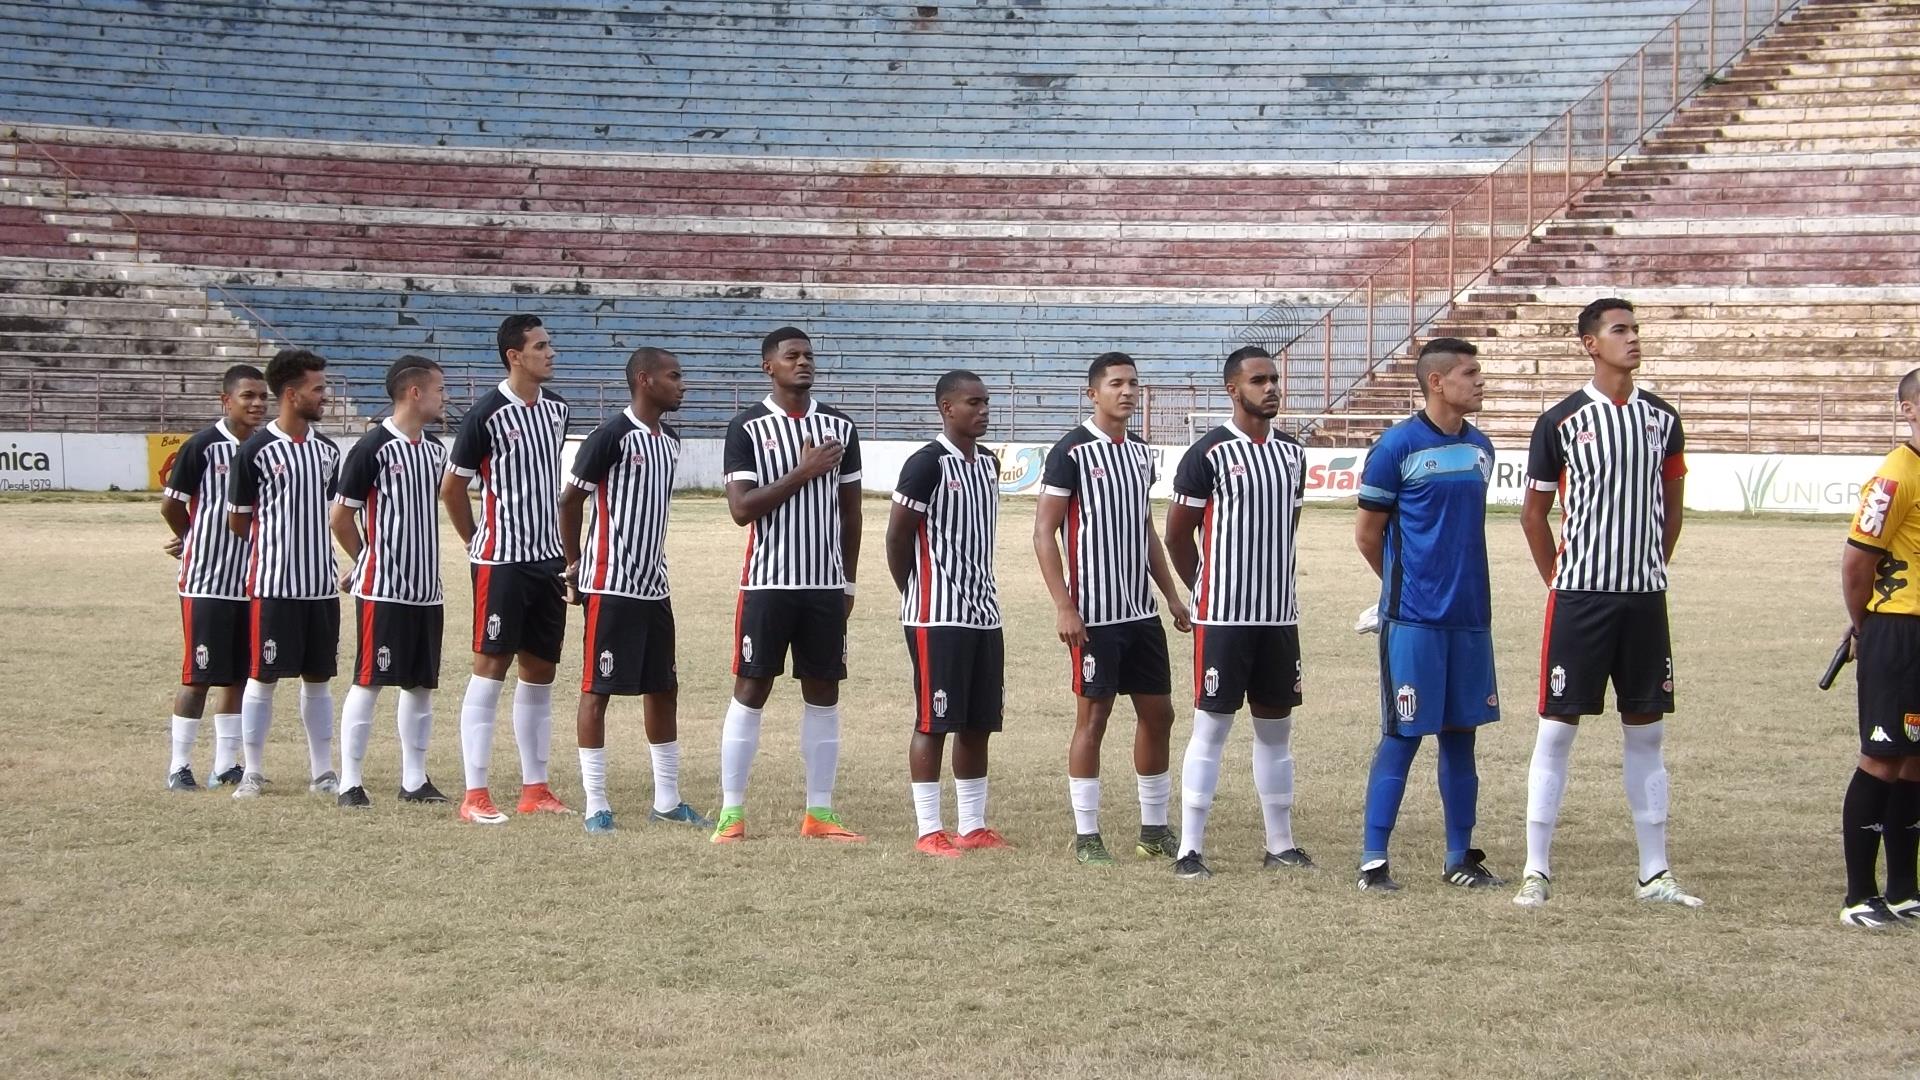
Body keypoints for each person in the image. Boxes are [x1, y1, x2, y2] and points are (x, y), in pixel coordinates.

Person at [1515, 298, 1701, 908]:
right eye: (1620, 330)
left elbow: (1672, 508)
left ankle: (1655, 872)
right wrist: (1558, 579)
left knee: (1646, 734)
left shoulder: (1662, 419)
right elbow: (1534, 514)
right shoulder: (1562, 421)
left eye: (1636, 329)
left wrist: (1651, 563)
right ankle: (1536, 869)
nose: (1633, 339)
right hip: (1580, 600)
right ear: (1591, 344)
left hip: (1645, 600)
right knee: (1557, 731)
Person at [1351, 338, 1503, 892]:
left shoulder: (1482, 449)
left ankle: (1459, 857)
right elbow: (1368, 536)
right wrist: (1405, 589)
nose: (1479, 380)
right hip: (1413, 622)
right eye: (1470, 372)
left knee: (1462, 738)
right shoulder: (1396, 447)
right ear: (1437, 382)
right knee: (1403, 736)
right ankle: (1373, 860)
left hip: (1470, 620)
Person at [1034, 352, 1192, 866]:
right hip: (1093, 615)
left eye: (1133, 384)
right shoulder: (1071, 452)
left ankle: (1153, 829)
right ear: (1093, 393)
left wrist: (1169, 594)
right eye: (1116, 384)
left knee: (1159, 714)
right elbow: (1044, 534)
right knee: (1094, 716)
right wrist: (1064, 606)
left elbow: (1144, 530)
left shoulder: (1142, 453)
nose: (1127, 392)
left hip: (1138, 613)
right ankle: (1087, 835)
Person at [709, 327, 866, 843]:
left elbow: (851, 511)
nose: (803, 363)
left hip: (823, 586)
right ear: (768, 367)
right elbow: (741, 509)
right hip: (768, 584)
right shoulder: (747, 427)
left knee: (823, 693)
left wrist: (847, 580)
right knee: (752, 689)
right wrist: (802, 472)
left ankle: (818, 812)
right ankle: (732, 812)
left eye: (809, 356)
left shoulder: (838, 425)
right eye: (792, 356)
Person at [1163, 346, 1312, 879]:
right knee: (1212, 727)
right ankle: (1190, 849)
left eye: (1274, 379)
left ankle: (1281, 843)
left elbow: (1285, 527)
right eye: (1258, 380)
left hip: (1278, 617)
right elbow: (1178, 536)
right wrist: (1206, 588)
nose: (1271, 387)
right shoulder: (1207, 454)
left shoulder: (1293, 455)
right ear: (1233, 389)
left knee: (1276, 729)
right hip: (1222, 619)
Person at [559, 346, 711, 835]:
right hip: (610, 585)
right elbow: (571, 499)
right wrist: (575, 564)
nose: (683, 383)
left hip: (653, 586)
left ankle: (667, 800)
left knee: (663, 688)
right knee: (597, 690)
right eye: (675, 375)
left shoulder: (669, 440)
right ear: (645, 380)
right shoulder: (610, 436)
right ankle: (596, 804)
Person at [440, 315, 573, 825]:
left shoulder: (558, 410)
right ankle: (475, 794)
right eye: (541, 346)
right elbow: (453, 487)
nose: (550, 353)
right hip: (502, 561)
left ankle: (534, 787)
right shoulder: (487, 414)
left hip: (547, 561)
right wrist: (476, 539)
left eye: (549, 344)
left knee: (539, 671)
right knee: (491, 666)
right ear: (514, 356)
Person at [886, 370, 1010, 858]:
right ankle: (928, 828)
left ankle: (973, 824)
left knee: (978, 721)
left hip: (984, 613)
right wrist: (915, 591)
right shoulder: (926, 465)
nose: (983, 410)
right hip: (936, 615)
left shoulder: (987, 466)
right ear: (946, 408)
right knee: (933, 720)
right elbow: (897, 538)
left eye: (986, 402)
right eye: (973, 402)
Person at [329, 356, 450, 809]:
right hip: (384, 589)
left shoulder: (435, 451)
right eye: (439, 389)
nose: (445, 398)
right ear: (414, 393)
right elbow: (340, 517)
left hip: (426, 589)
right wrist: (365, 561)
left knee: (420, 683)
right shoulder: (373, 447)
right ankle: (350, 783)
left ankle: (414, 780)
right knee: (370, 679)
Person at [225, 348, 343, 799]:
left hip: (320, 586)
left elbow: (336, 512)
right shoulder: (255, 450)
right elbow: (239, 519)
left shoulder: (327, 451)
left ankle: (323, 772)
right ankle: (252, 770)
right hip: (273, 586)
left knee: (319, 678)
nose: (325, 396)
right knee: (263, 676)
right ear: (292, 395)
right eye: (318, 388)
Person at [1836, 367, 1920, 928]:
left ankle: (1904, 888)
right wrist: (1865, 626)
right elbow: (1856, 562)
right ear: (1909, 409)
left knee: (1915, 760)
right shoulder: (1895, 477)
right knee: (1884, 758)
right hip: (1898, 631)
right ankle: (1859, 896)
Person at [160, 363, 268, 790]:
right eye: (248, 396)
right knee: (198, 674)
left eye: (263, 396)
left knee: (240, 674)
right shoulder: (202, 446)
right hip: (207, 581)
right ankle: (179, 765)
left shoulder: (265, 448)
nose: (258, 404)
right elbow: (171, 505)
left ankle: (226, 763)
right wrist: (191, 540)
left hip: (255, 578)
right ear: (226, 400)